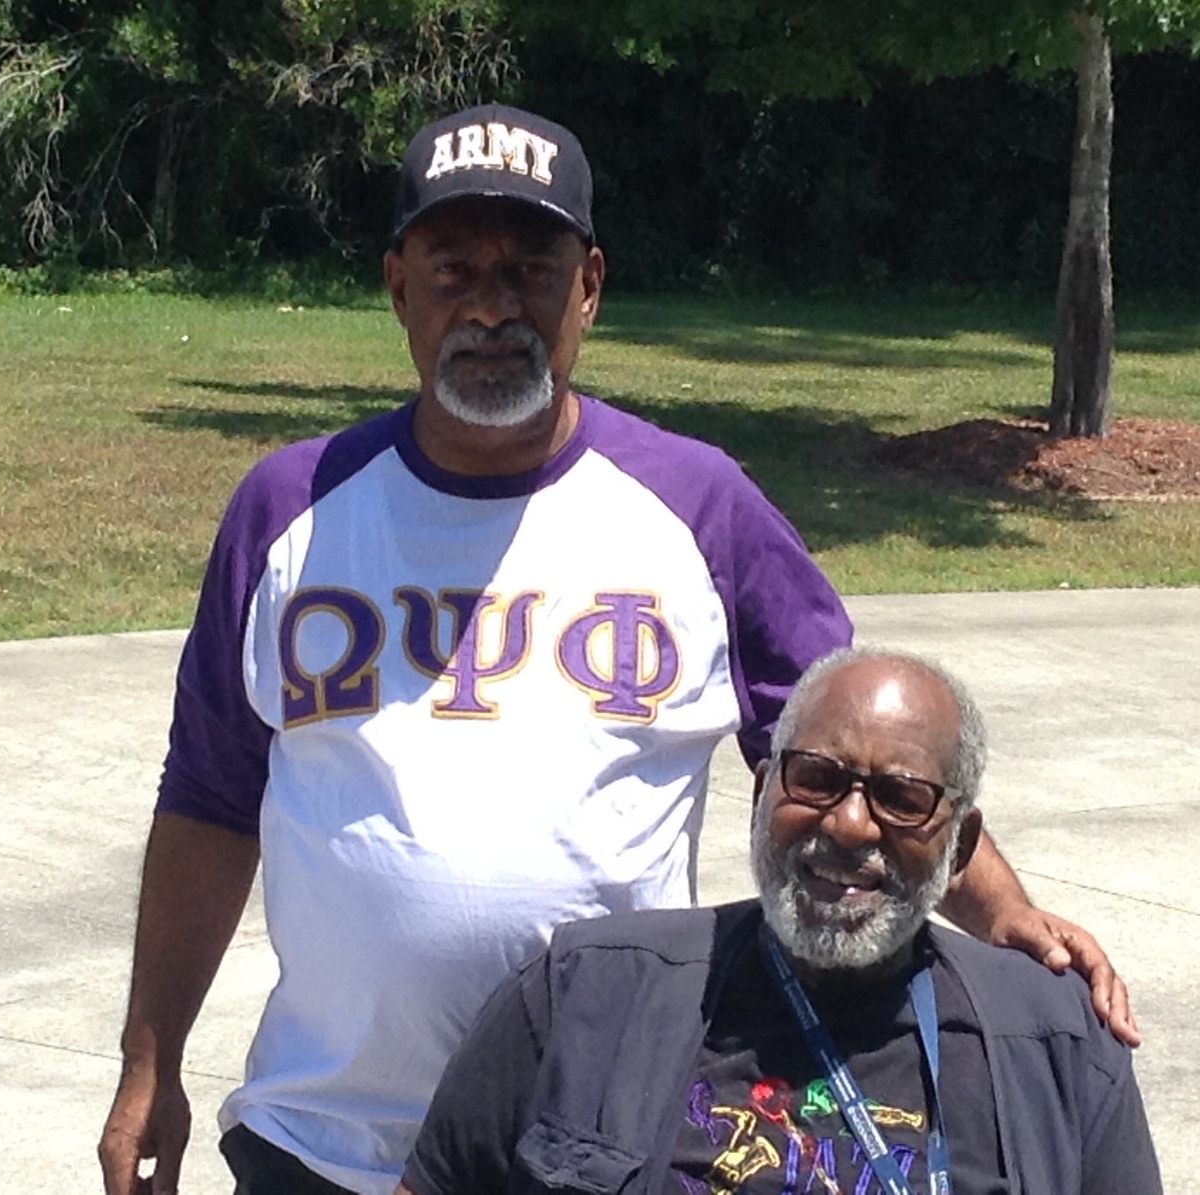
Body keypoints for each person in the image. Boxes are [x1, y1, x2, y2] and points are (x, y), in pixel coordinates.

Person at [98, 104, 1136, 1195]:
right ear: (399, 286)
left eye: (530, 270)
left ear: (588, 287)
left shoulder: (699, 508)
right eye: (454, 270)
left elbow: (856, 758)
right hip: (325, 1135)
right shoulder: (290, 509)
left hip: (588, 1139)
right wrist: (149, 1062)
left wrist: (1004, 912)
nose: (491, 306)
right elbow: (210, 800)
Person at [398, 648, 1161, 1195]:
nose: (851, 823)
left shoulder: (1057, 1045)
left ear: (959, 844)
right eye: (817, 778)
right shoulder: (582, 991)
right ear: (762, 796)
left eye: (901, 798)